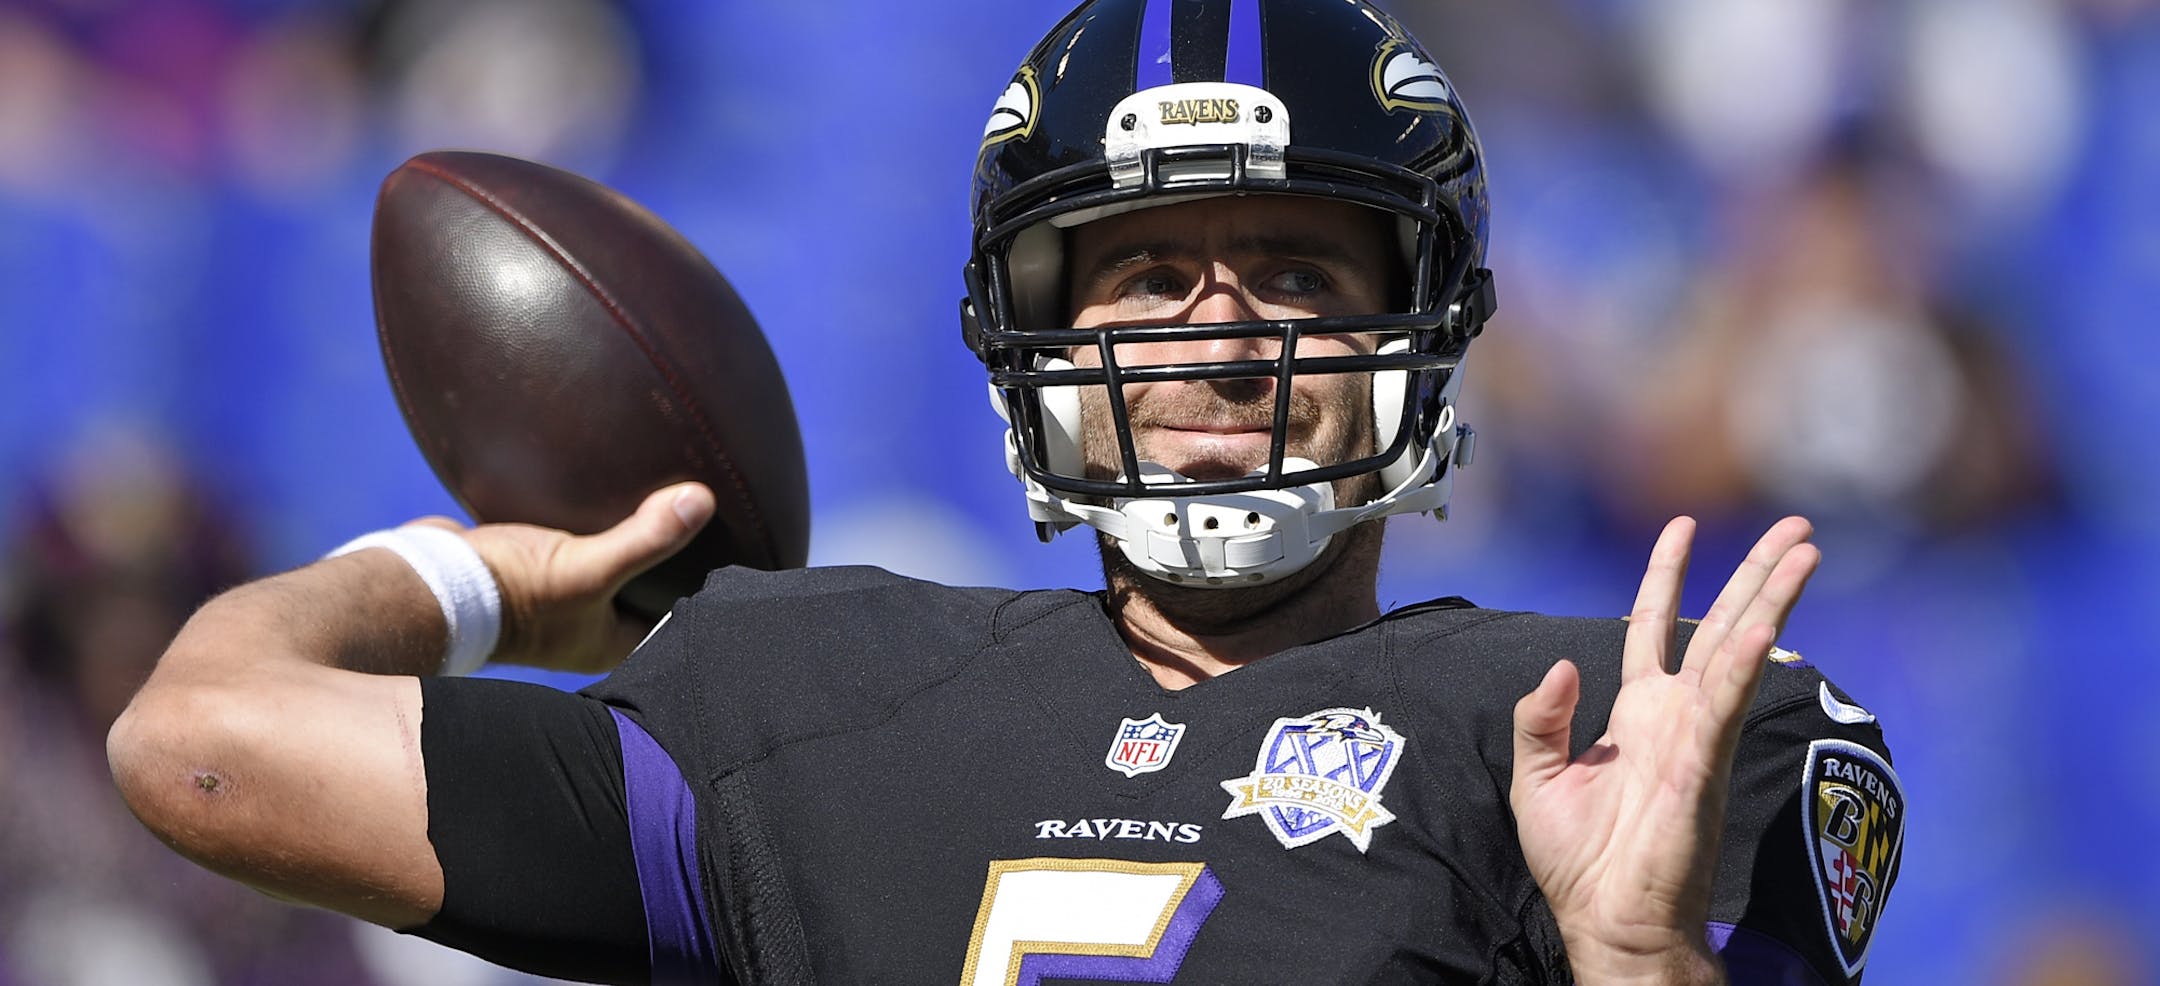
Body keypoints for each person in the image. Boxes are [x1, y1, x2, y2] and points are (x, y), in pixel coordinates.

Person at [107, 1, 1903, 983]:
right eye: (1143, 279)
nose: (1219, 339)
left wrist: (1641, 953)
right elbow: (198, 737)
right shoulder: (803, 702)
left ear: (1419, 336)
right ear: (1029, 340)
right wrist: (500, 576)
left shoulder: (1593, 735)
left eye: (1294, 270)